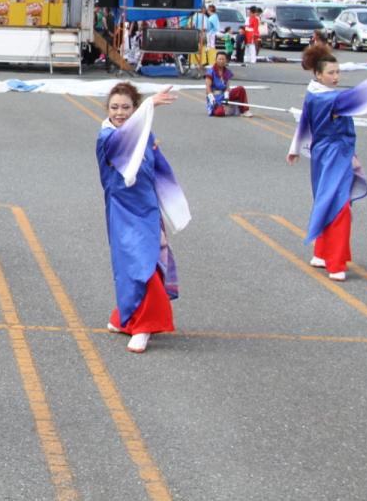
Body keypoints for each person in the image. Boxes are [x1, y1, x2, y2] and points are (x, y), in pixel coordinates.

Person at [286, 45, 367, 281]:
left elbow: (304, 122)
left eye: (337, 72)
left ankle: (321, 253)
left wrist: (295, 148)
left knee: (326, 199)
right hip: (335, 152)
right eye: (331, 73)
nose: (336, 77)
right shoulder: (333, 99)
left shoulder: (312, 92)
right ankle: (336, 263)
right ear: (318, 74)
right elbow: (364, 93)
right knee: (340, 206)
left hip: (322, 152)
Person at [98, 82, 190, 354]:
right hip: (121, 208)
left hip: (147, 209)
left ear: (134, 109)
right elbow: (123, 141)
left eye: (126, 107)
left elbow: (159, 171)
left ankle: (145, 324)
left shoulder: (145, 134)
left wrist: (169, 209)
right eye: (114, 107)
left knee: (145, 264)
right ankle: (127, 316)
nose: (119, 113)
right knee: (128, 265)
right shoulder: (107, 136)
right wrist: (149, 106)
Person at [204, 51, 253, 117]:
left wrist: (227, 95)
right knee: (219, 113)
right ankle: (225, 108)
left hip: (224, 95)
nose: (221, 61)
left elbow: (227, 87)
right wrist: (211, 98)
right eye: (219, 59)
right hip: (215, 97)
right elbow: (208, 87)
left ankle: (244, 111)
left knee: (240, 89)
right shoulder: (210, 71)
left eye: (223, 59)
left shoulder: (227, 72)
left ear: (226, 60)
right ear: (216, 60)